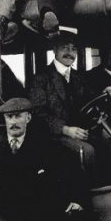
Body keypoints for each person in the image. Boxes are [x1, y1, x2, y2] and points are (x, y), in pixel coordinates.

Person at [28, 31, 97, 172]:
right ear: (54, 50)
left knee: (109, 143)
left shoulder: (79, 78)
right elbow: (38, 113)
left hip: (79, 133)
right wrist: (65, 129)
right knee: (87, 151)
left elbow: (91, 101)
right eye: (65, 48)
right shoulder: (41, 78)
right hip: (52, 137)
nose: (70, 53)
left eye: (73, 49)